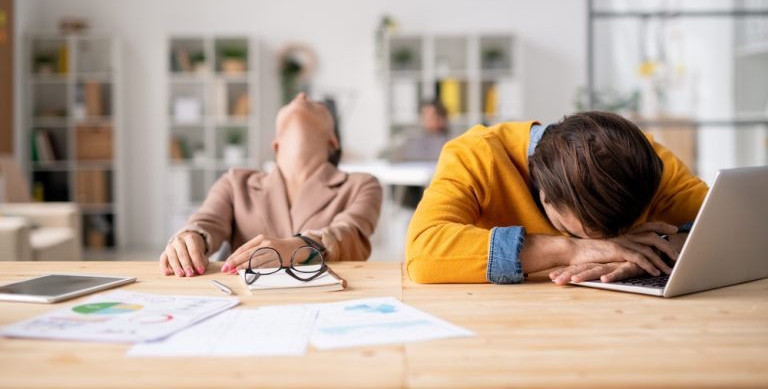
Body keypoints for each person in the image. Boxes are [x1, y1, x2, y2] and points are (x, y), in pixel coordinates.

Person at [405, 111, 708, 286]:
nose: (612, 245)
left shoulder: (637, 157)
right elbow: (423, 251)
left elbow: (729, 223)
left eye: (622, 234)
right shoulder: (475, 155)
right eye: (582, 231)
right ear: (541, 187)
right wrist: (571, 248)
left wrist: (659, 253)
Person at [160, 92, 383, 277]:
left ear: (333, 141)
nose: (301, 95)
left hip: (325, 303)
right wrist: (190, 238)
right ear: (276, 145)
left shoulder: (361, 185)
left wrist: (295, 248)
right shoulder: (235, 182)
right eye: (293, 100)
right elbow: (205, 222)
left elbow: (350, 235)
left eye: (314, 105)